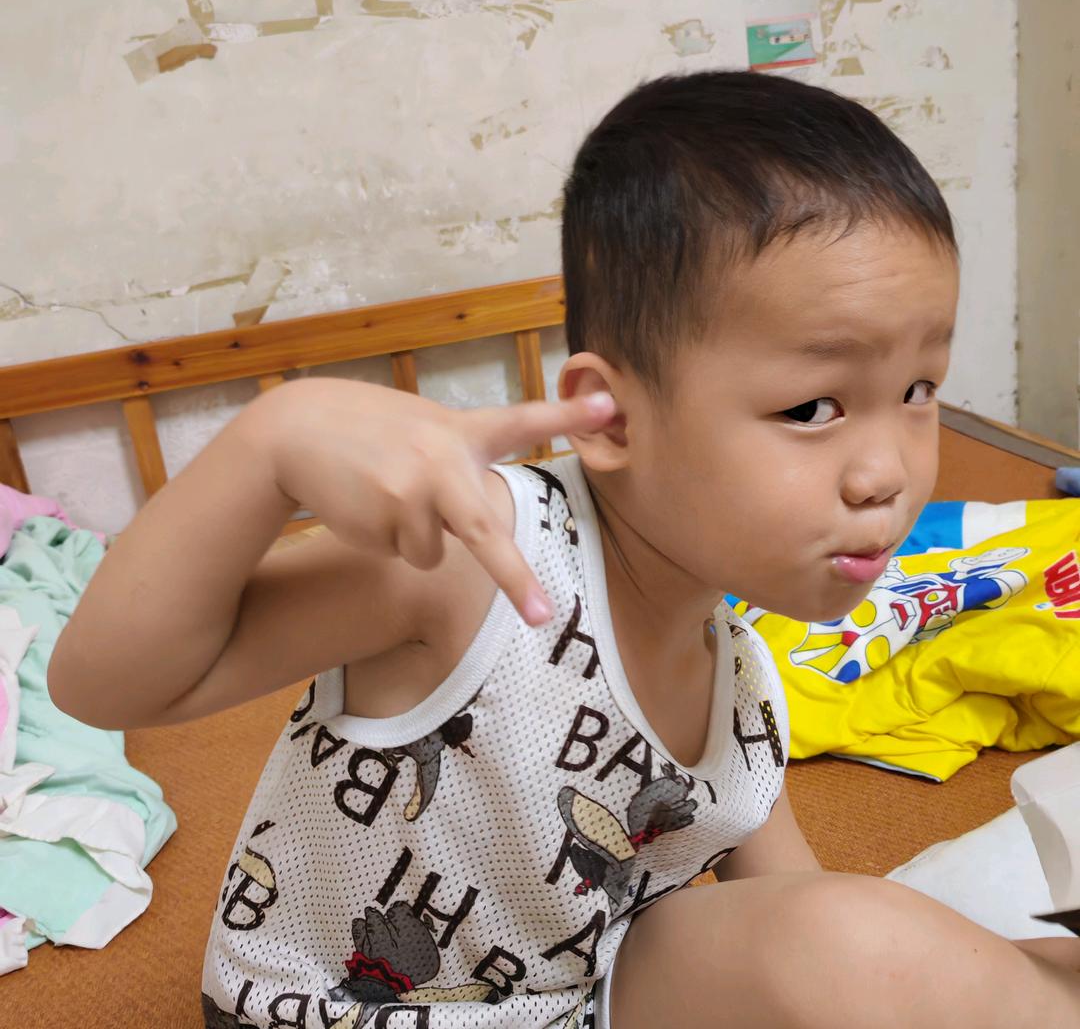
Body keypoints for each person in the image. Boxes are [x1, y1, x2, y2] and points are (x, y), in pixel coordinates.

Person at [50, 71, 1080, 1029]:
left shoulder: (745, 689)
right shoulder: (485, 561)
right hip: (344, 1011)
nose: (888, 471)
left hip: (566, 992)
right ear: (612, 421)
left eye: (919, 392)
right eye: (814, 406)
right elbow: (105, 684)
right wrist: (269, 445)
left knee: (872, 940)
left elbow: (798, 927)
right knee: (852, 940)